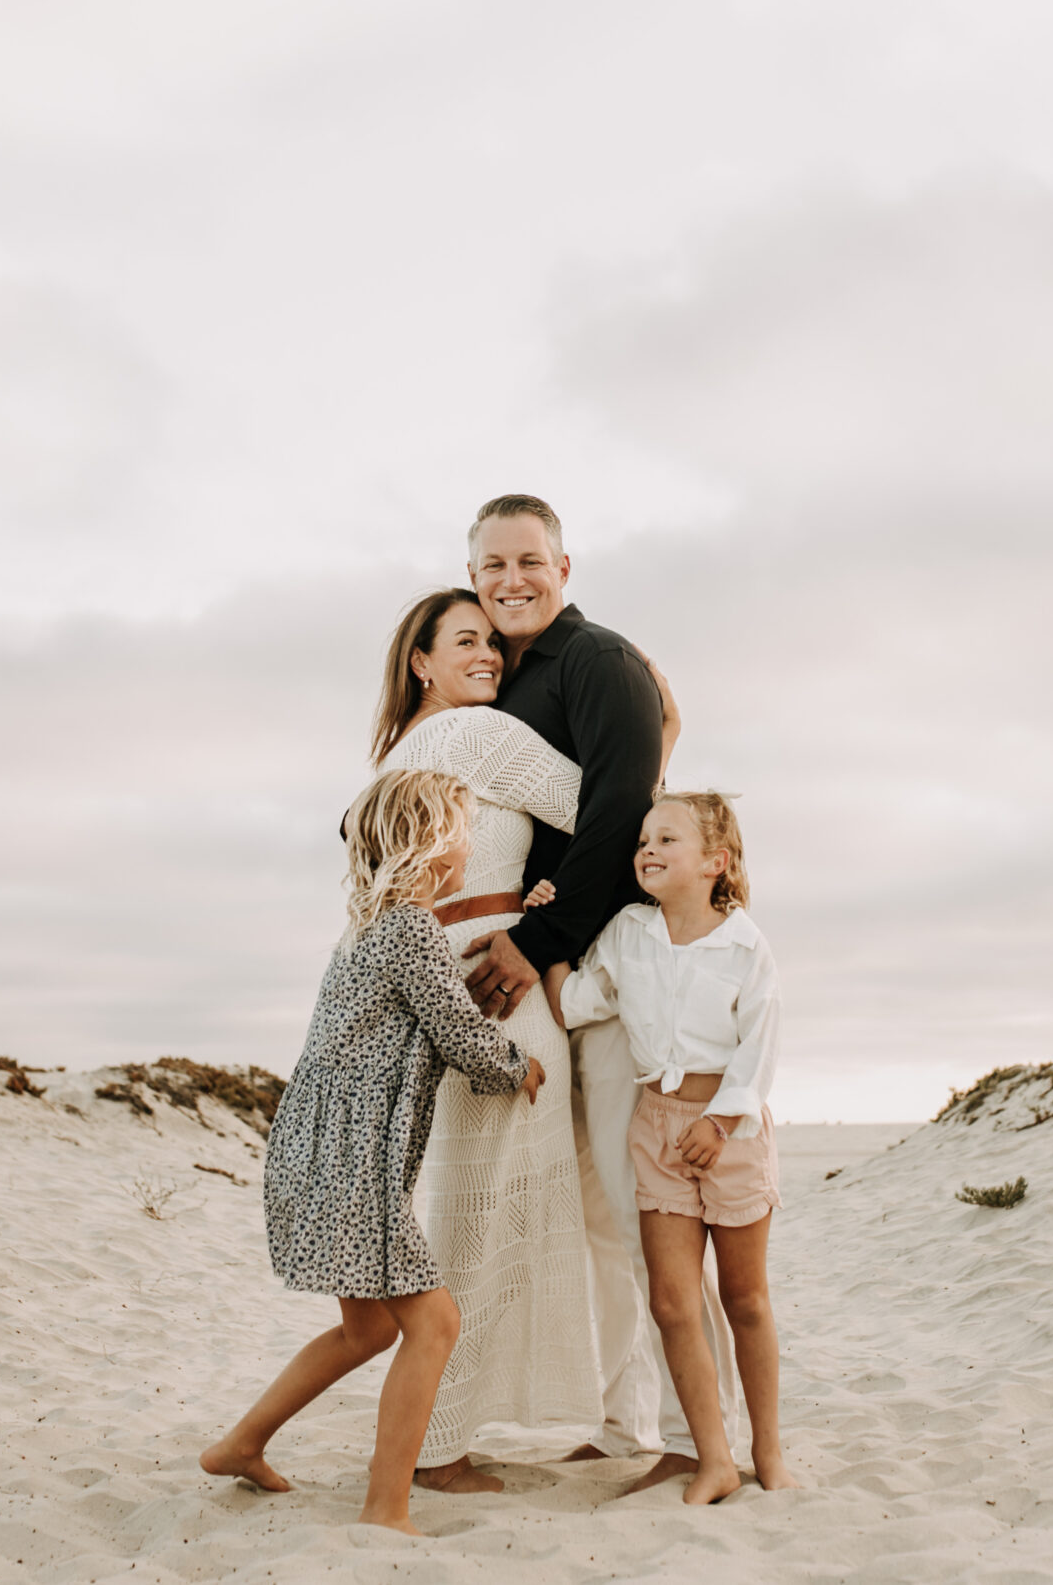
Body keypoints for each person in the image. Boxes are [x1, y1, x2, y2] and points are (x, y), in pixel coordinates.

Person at [455, 493, 743, 1489]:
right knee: (594, 1218)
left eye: (528, 561)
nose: (510, 581)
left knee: (641, 1210)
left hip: (609, 973)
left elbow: (618, 805)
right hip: (559, 973)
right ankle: (629, 1427)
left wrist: (534, 939)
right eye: (491, 567)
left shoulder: (599, 662)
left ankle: (702, 1435)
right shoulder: (504, 685)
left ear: (564, 568)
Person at [200, 769, 544, 1535]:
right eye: (464, 829)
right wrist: (519, 1065)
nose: (470, 845)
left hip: (315, 1149)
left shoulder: (368, 932)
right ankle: (386, 1507)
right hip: (353, 1159)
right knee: (435, 1322)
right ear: (432, 842)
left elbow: (430, 1000)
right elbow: (459, 1035)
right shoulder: (410, 931)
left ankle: (240, 1443)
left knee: (370, 1329)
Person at [370, 587, 646, 1490]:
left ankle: (444, 1430)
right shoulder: (481, 736)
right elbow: (608, 808)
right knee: (483, 1212)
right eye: (465, 641)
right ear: (421, 661)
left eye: (492, 642)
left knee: (465, 1202)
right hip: (498, 979)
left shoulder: (397, 752)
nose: (489, 654)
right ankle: (441, 1443)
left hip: (442, 970)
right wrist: (665, 729)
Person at [561, 791, 796, 1504]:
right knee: (670, 1301)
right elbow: (578, 1000)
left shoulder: (744, 945)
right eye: (642, 840)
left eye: (666, 838)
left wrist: (721, 1121)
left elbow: (760, 1047)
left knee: (745, 1297)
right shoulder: (629, 932)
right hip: (656, 1127)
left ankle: (768, 1450)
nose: (647, 850)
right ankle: (713, 1457)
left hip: (729, 1133)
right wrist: (545, 928)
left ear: (715, 862)